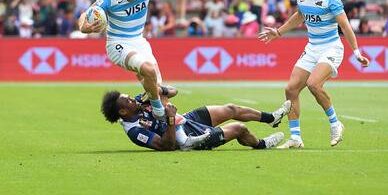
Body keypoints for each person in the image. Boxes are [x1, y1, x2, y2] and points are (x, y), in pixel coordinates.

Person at [78, 0, 231, 121]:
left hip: (140, 42)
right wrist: (84, 27)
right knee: (149, 73)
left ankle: (173, 134)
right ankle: (157, 112)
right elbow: (84, 14)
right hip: (118, 44)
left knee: (159, 91)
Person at [258, 0, 370, 149]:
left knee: (313, 84)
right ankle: (295, 138)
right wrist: (278, 32)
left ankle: (335, 124)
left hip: (331, 47)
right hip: (312, 47)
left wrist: (357, 52)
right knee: (291, 89)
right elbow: (300, 15)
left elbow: (345, 26)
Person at [101, 88, 291, 151]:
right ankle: (261, 144)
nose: (132, 99)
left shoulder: (139, 102)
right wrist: (169, 119)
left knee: (231, 109)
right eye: (128, 100)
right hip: (185, 137)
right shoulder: (135, 131)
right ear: (124, 112)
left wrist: (160, 91)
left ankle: (271, 118)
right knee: (239, 128)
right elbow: (166, 146)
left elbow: (174, 92)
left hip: (185, 120)